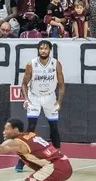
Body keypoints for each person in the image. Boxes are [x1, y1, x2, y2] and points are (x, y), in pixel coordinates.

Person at [15, 40, 66, 173]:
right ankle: (22, 160)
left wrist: (59, 101)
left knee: (54, 127)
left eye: (46, 48)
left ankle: (58, 157)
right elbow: (24, 83)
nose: (43, 50)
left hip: (50, 97)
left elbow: (61, 84)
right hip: (34, 97)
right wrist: (26, 99)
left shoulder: (56, 64)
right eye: (41, 48)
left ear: (50, 50)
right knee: (30, 129)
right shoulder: (31, 64)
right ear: (38, 50)